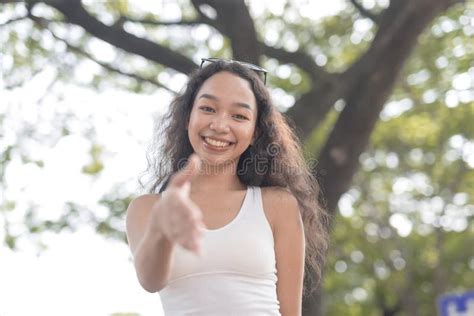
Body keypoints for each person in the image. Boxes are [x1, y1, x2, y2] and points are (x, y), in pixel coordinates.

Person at [126, 58, 329, 316]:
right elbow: (150, 281)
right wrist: (161, 228)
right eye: (208, 109)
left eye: (239, 115)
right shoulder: (147, 208)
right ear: (188, 116)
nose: (220, 126)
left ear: (255, 131)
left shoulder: (277, 205)